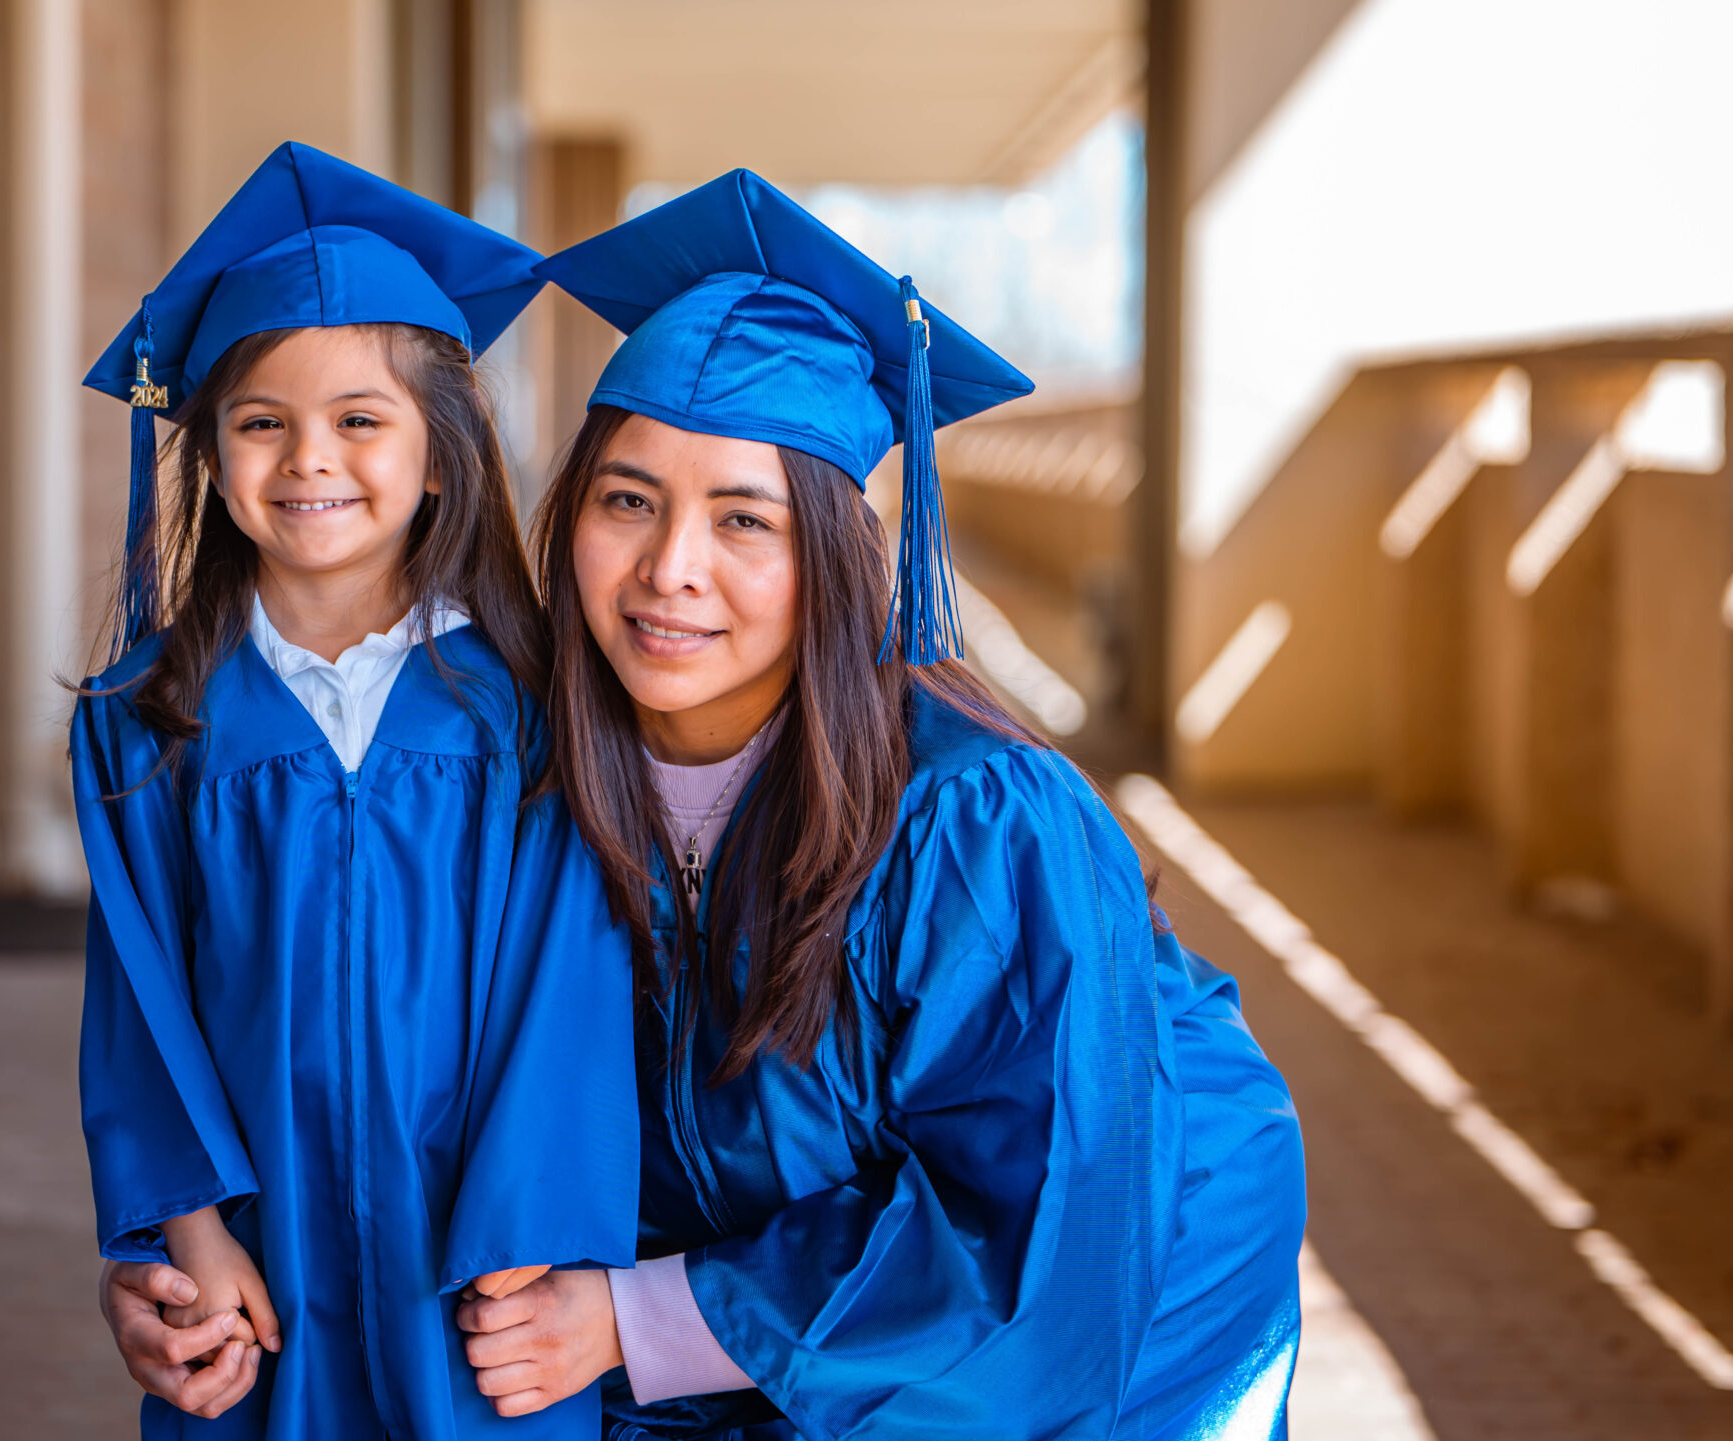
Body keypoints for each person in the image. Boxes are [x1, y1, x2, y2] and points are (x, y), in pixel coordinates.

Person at [454, 170, 1310, 1439]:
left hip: (1125, 1295)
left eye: (744, 519)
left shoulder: (978, 818)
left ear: (837, 558)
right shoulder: (526, 773)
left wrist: (637, 1319)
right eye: (626, 500)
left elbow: (1028, 1227)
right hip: (775, 1300)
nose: (667, 570)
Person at [72, 141, 637, 1440]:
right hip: (259, 1264)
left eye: (361, 421)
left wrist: (532, 1242)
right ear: (209, 453)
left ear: (441, 455)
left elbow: (568, 981)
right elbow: (139, 1000)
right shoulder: (147, 716)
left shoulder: (532, 703)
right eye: (261, 421)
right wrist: (191, 1231)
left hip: (477, 1255)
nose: (308, 457)